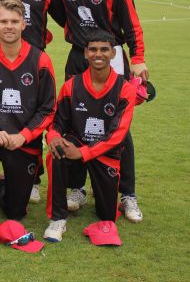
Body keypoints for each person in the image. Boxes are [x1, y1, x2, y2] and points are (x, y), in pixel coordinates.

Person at [48, 0, 148, 222]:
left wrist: (138, 58)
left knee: (119, 125)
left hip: (111, 55)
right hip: (78, 55)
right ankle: (76, 188)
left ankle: (127, 194)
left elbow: (132, 22)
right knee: (73, 122)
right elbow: (52, 10)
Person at [0, 0, 56, 244]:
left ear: (24, 24)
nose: (9, 26)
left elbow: (48, 107)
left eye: (14, 21)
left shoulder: (40, 60)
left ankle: (2, 185)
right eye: (3, 21)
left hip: (23, 139)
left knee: (16, 213)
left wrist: (24, 135)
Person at [0, 0, 65, 204]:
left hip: (34, 63)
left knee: (32, 117)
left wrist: (45, 38)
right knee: (0, 115)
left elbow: (63, 19)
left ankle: (33, 178)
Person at [43, 30, 136, 242]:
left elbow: (117, 135)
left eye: (104, 49)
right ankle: (57, 218)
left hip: (104, 151)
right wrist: (54, 136)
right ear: (85, 53)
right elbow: (57, 122)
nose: (98, 54)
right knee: (56, 151)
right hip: (76, 143)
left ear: (113, 53)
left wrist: (84, 153)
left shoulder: (125, 89)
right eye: (93, 49)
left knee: (107, 216)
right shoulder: (71, 85)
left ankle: (105, 195)